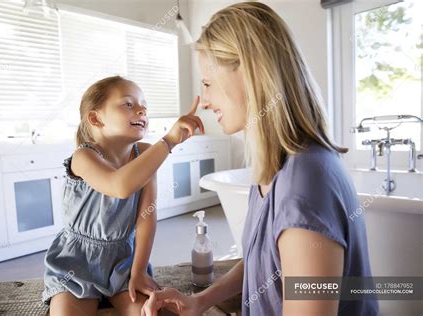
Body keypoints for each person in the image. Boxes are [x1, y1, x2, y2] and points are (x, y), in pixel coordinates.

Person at [141, 2, 378, 316]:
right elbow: (264, 262)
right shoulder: (276, 166)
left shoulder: (305, 185)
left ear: (251, 72)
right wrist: (202, 300)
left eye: (208, 84)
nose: (205, 101)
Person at [42, 75, 204, 316]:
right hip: (76, 264)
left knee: (154, 312)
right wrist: (169, 141)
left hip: (124, 262)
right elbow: (119, 186)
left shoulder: (146, 153)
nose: (141, 110)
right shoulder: (84, 157)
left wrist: (138, 272)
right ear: (96, 118)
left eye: (144, 106)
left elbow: (146, 218)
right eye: (129, 104)